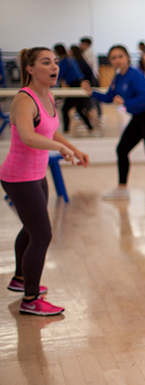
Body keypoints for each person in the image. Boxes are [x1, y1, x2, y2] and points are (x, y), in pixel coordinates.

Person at [1, 47, 90, 316]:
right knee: (42, 234)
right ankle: (31, 299)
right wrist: (58, 148)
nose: (54, 67)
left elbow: (51, 129)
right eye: (46, 62)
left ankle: (20, 279)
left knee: (31, 229)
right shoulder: (24, 100)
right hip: (19, 177)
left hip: (36, 175)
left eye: (55, 62)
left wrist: (72, 147)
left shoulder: (46, 96)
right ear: (30, 69)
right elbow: (28, 136)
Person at [81, 45, 145, 205]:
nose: (117, 60)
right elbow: (109, 97)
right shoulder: (118, 76)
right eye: (114, 58)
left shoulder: (136, 75)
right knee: (122, 150)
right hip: (138, 118)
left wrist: (125, 102)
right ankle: (122, 189)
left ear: (127, 57)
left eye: (120, 56)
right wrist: (91, 92)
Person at [54, 43, 94, 134]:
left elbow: (59, 75)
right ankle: (90, 128)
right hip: (79, 83)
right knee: (79, 109)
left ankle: (66, 130)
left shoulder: (65, 61)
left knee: (65, 109)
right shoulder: (70, 59)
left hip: (75, 85)